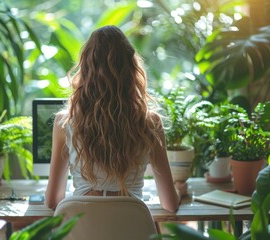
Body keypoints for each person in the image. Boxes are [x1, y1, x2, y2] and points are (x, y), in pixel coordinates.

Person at [45, 25, 187, 212]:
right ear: (131, 68)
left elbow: (53, 201)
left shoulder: (66, 123)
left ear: (86, 69)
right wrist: (179, 191)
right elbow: (169, 205)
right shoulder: (150, 122)